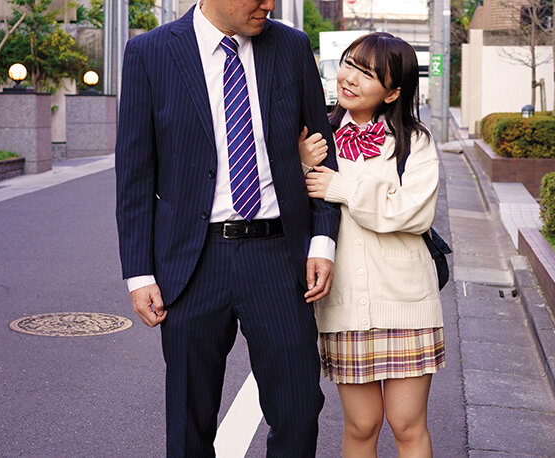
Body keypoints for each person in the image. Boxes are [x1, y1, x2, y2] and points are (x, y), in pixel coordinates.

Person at [114, 0, 340, 456]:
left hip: (278, 255)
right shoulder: (150, 53)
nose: (269, 4)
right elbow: (135, 174)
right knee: (189, 420)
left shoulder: (291, 46)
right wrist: (139, 274)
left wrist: (322, 241)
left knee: (299, 409)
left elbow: (322, 151)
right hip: (192, 262)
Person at [299, 32, 444, 457]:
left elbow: (413, 213)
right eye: (349, 64)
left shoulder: (414, 141)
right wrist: (300, 166)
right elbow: (294, 210)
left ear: (393, 92)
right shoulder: (316, 138)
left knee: (407, 425)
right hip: (343, 304)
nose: (350, 78)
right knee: (361, 426)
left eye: (367, 73)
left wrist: (342, 187)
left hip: (406, 303)